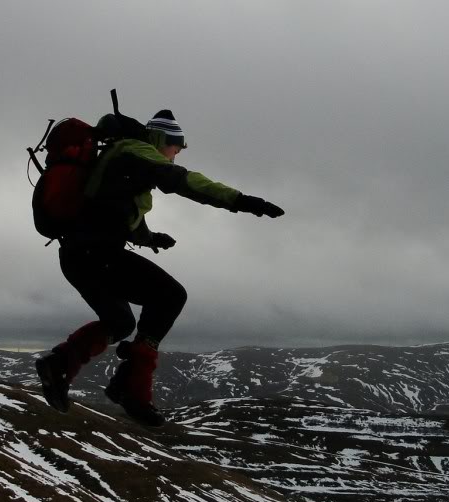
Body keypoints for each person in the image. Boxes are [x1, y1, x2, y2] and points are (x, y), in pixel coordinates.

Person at [36, 109, 284, 427]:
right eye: (176, 148)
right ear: (161, 140)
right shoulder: (136, 150)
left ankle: (58, 365)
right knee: (170, 295)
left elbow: (109, 208)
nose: (175, 155)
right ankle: (131, 389)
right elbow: (182, 181)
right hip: (96, 254)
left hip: (78, 256)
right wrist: (241, 201)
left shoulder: (120, 155)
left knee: (120, 322)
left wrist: (150, 238)